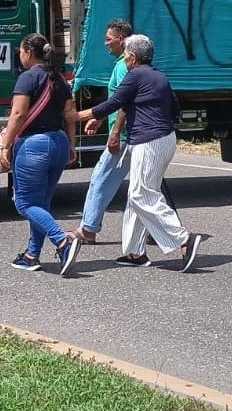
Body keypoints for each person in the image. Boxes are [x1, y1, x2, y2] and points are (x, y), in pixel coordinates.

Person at [78, 34, 202, 271]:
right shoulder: (158, 76)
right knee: (139, 194)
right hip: (163, 139)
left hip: (150, 142)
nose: (124, 59)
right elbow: (173, 107)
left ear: (133, 57)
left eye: (126, 55)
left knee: (140, 194)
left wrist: (76, 116)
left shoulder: (135, 75)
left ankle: (183, 238)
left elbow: (112, 104)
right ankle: (135, 252)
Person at [0, 34, 82, 276]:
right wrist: (72, 146)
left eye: (21, 51)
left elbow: (18, 115)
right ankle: (32, 254)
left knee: (24, 203)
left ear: (29, 53)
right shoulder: (60, 80)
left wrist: (5, 145)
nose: (19, 56)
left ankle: (63, 241)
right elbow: (70, 116)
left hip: (34, 146)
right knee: (41, 203)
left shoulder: (27, 78)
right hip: (59, 142)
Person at [70, 19, 134, 243]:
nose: (106, 44)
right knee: (145, 187)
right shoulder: (121, 63)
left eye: (109, 40)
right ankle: (157, 230)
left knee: (101, 178)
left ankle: (88, 229)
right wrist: (100, 118)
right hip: (129, 134)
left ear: (121, 39)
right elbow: (117, 100)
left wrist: (115, 134)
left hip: (125, 136)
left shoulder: (126, 65)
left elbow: (127, 102)